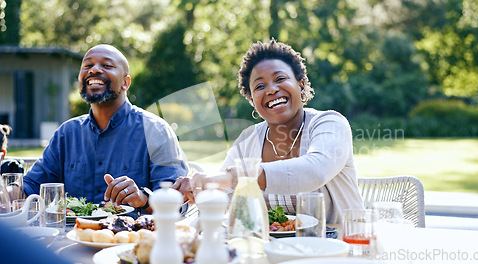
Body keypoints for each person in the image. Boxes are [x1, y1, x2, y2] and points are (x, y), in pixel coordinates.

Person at [174, 39, 363, 224]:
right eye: (260, 86)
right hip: (274, 252)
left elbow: (315, 170)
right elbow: (225, 201)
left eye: (280, 79)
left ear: (301, 85)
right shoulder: (248, 140)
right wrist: (200, 190)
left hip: (342, 247)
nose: (271, 90)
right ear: (253, 102)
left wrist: (235, 177)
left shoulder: (329, 123)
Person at [21, 44, 187, 213]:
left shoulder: (155, 131)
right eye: (87, 65)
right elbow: (31, 185)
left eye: (107, 66)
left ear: (125, 82)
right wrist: (8, 191)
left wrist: (142, 199)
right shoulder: (67, 133)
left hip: (133, 237)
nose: (94, 70)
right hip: (72, 236)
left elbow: (177, 203)